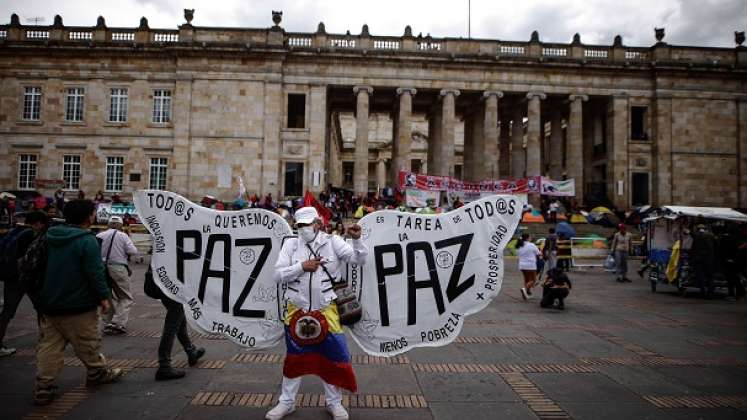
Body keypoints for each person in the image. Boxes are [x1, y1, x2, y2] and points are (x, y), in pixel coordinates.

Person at [266, 206, 367, 420]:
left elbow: (358, 260)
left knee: (334, 356)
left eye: (306, 225)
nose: (302, 230)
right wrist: (301, 267)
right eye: (298, 226)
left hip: (328, 309)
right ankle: (286, 402)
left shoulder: (333, 241)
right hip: (297, 310)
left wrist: (357, 240)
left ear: (318, 224)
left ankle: (334, 403)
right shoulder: (291, 245)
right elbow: (277, 274)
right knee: (294, 359)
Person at [34, 199, 123, 405]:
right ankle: (96, 372)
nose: (94, 216)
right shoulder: (86, 240)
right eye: (92, 213)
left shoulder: (50, 235)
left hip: (49, 301)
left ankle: (44, 387)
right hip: (77, 303)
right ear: (87, 217)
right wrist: (103, 297)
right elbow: (95, 273)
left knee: (49, 346)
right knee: (88, 341)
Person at [143, 264, 206, 380]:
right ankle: (164, 365)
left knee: (178, 320)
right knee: (172, 324)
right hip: (171, 284)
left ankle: (191, 351)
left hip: (160, 281)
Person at [0, 211, 49, 357]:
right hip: (26, 277)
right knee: (41, 308)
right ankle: (46, 341)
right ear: (38, 223)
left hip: (11, 276)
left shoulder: (14, 231)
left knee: (7, 311)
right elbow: (31, 258)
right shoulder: (30, 235)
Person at [96, 216, 139, 334]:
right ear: (120, 225)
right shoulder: (123, 236)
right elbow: (133, 251)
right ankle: (118, 323)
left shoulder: (99, 235)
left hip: (102, 268)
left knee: (107, 296)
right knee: (125, 296)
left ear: (108, 224)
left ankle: (108, 322)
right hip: (118, 268)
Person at [691, 223, 717, 299]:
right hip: (709, 259)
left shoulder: (696, 236)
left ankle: (703, 291)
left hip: (699, 259)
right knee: (710, 277)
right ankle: (710, 293)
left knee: (700, 276)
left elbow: (693, 248)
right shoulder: (712, 236)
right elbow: (716, 247)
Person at [516, 233, 542, 300]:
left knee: (526, 279)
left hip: (522, 265)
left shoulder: (519, 245)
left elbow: (517, 254)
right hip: (531, 265)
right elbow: (538, 253)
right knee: (533, 280)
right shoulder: (532, 245)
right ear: (528, 238)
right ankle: (525, 289)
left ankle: (527, 293)